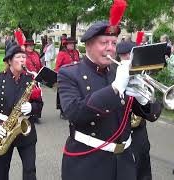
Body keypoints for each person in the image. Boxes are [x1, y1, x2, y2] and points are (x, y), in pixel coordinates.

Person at [58, 20, 162, 180]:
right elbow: (74, 112)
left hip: (124, 161)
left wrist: (142, 99)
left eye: (113, 43)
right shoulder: (70, 73)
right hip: (87, 162)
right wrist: (115, 88)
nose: (110, 48)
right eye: (104, 42)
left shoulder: (118, 71)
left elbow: (152, 115)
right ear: (88, 45)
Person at [0, 42, 43, 180]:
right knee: (1, 173)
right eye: (19, 57)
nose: (23, 60)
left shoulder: (30, 79)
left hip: (25, 130)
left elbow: (39, 104)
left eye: (24, 57)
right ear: (10, 60)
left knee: (30, 171)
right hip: (3, 130)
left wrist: (32, 107)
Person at [117, 41, 155, 180]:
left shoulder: (143, 74)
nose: (127, 58)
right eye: (123, 55)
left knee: (143, 164)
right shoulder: (116, 74)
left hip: (139, 130)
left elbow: (153, 114)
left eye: (129, 54)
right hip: (121, 131)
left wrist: (144, 98)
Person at [55, 37, 80, 120]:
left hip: (76, 76)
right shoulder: (62, 53)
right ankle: (63, 111)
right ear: (66, 45)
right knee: (64, 95)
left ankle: (73, 110)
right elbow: (57, 67)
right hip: (65, 77)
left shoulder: (76, 52)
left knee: (75, 94)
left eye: (73, 43)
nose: (72, 45)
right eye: (71, 43)